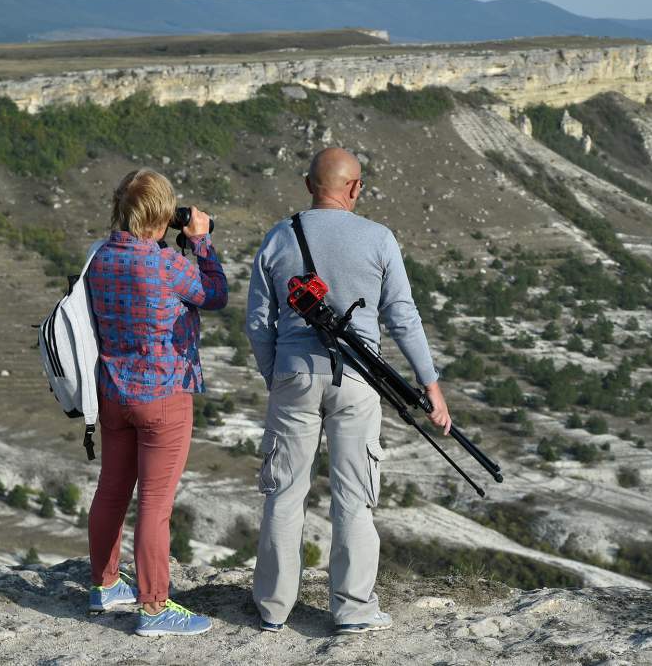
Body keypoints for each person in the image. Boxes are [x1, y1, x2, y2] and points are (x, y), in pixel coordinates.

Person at [245, 147, 451, 635]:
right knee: (354, 497)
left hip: (293, 375)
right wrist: (431, 387)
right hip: (359, 379)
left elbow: (258, 320)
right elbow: (403, 316)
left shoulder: (279, 236)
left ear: (307, 183)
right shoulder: (378, 238)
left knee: (285, 492)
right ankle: (353, 609)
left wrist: (277, 372)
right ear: (355, 188)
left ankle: (273, 608)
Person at [85, 168, 227, 637]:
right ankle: (154, 607)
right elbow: (214, 295)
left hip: (112, 391)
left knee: (111, 489)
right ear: (163, 213)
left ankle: (105, 584)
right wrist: (201, 243)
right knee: (154, 503)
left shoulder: (100, 257)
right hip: (164, 395)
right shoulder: (167, 264)